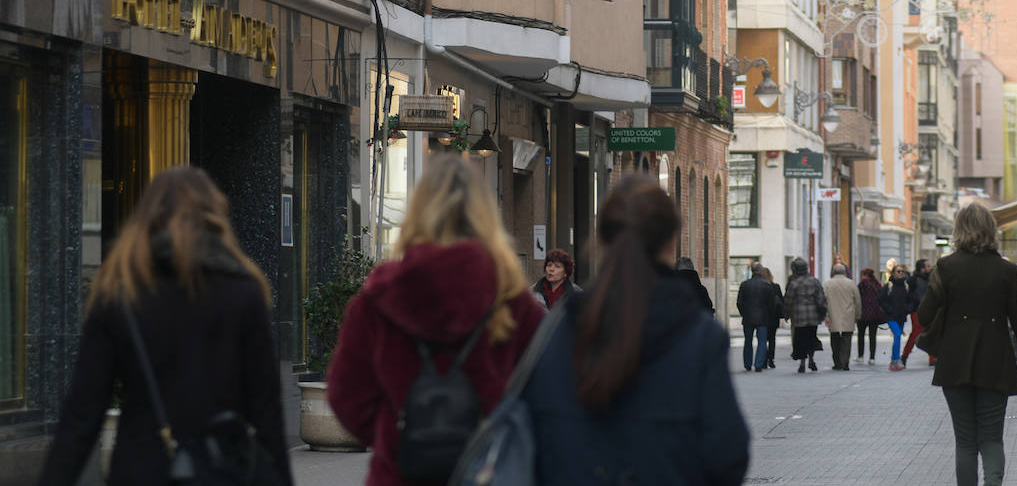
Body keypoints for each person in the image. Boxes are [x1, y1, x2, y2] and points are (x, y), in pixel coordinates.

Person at [38, 165, 292, 486]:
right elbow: (266, 406)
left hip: (142, 467)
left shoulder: (121, 293)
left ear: (146, 217)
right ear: (213, 214)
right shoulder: (243, 290)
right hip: (222, 468)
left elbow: (83, 412)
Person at [327, 155, 545, 486]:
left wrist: (395, 434)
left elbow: (346, 395)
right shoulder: (513, 300)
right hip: (492, 472)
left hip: (399, 474)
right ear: (487, 216)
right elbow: (545, 398)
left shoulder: (379, 297)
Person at [523, 175, 749, 485]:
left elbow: (532, 438)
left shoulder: (560, 329)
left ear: (601, 240)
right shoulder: (699, 337)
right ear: (671, 242)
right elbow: (728, 453)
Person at [917, 203, 1017, 486]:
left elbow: (925, 315)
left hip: (954, 364)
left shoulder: (946, 267)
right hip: (995, 364)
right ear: (991, 230)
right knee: (991, 438)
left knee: (965, 442)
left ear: (959, 230)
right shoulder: (1006, 271)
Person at [783, 258, 827, 373]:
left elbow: (789, 300)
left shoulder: (794, 284)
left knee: (800, 339)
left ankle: (802, 362)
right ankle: (811, 359)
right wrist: (822, 313)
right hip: (813, 315)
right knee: (811, 337)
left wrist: (786, 314)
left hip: (799, 316)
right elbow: (821, 298)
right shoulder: (815, 281)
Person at [736, 262, 781, 372]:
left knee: (748, 341)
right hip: (763, 318)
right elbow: (771, 304)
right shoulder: (767, 285)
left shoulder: (744, 284)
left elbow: (739, 302)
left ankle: (747, 364)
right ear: (761, 271)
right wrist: (769, 315)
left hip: (748, 318)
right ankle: (758, 364)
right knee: (762, 341)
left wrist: (744, 313)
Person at [822, 263, 862, 370]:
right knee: (846, 340)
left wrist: (826, 316)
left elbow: (823, 302)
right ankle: (845, 362)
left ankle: (837, 362)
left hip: (833, 314)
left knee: (834, 340)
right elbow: (857, 301)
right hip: (848, 315)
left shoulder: (827, 284)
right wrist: (857, 315)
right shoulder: (851, 284)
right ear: (844, 272)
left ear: (833, 272)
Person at [880, 264, 913, 370]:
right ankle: (896, 360)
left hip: (901, 316)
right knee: (897, 335)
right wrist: (888, 309)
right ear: (893, 273)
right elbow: (880, 299)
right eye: (898, 271)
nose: (901, 273)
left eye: (902, 271)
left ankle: (893, 361)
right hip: (891, 316)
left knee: (897, 337)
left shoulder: (906, 286)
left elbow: (910, 300)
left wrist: (908, 309)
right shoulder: (888, 286)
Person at [902, 258, 934, 367]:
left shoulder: (931, 278)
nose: (930, 268)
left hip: (929, 309)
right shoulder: (914, 280)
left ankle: (932, 358)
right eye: (928, 266)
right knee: (916, 333)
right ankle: (904, 356)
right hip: (917, 310)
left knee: (931, 332)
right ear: (922, 269)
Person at [856, 268, 885, 365]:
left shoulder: (862, 284)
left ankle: (860, 356)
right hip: (874, 315)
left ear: (864, 274)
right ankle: (872, 357)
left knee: (861, 335)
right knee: (872, 336)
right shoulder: (877, 284)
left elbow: (857, 297)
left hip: (863, 314)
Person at [761, 265, 784, 369]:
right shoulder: (776, 287)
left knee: (763, 339)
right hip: (774, 317)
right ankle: (771, 359)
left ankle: (764, 359)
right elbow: (781, 301)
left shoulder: (761, 287)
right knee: (772, 339)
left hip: (763, 317)